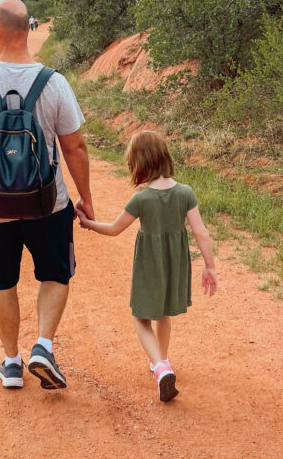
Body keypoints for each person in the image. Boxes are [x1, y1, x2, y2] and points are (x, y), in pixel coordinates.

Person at [0, 0, 94, 390]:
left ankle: (11, 363)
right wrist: (86, 198)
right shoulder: (55, 83)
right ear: (28, 29)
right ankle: (43, 345)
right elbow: (75, 148)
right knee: (55, 274)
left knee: (1, 282)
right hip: (48, 203)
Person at [77, 130, 217, 402]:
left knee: (140, 318)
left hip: (150, 264)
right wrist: (209, 267)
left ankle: (161, 367)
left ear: (138, 163)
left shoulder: (141, 199)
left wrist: (88, 224)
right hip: (175, 264)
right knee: (164, 313)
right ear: (164, 156)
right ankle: (161, 361)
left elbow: (115, 229)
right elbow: (201, 233)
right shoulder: (185, 192)